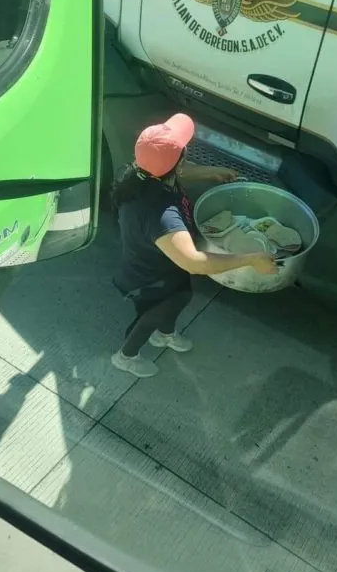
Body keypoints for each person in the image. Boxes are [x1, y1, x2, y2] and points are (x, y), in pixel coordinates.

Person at [111, 113, 278, 378]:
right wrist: (252, 258)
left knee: (181, 297)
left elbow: (177, 172)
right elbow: (194, 262)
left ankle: (165, 334)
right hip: (148, 279)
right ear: (178, 162)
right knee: (150, 316)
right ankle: (126, 356)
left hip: (160, 267)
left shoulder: (139, 172)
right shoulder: (161, 214)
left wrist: (212, 173)